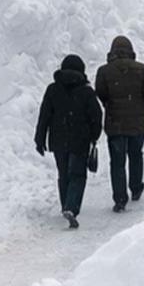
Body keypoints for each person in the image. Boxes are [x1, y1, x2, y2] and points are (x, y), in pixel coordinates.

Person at [95, 35, 144, 213]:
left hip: (115, 124)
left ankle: (120, 198)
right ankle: (136, 187)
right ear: (131, 51)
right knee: (136, 155)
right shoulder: (142, 70)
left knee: (117, 161)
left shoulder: (104, 71)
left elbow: (100, 93)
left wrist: (111, 102)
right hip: (137, 124)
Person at [35, 54, 103, 229]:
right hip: (80, 139)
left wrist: (40, 138)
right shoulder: (87, 92)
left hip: (58, 139)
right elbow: (96, 115)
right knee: (78, 174)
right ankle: (71, 208)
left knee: (63, 173)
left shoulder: (52, 89)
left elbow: (44, 115)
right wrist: (94, 136)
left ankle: (65, 203)